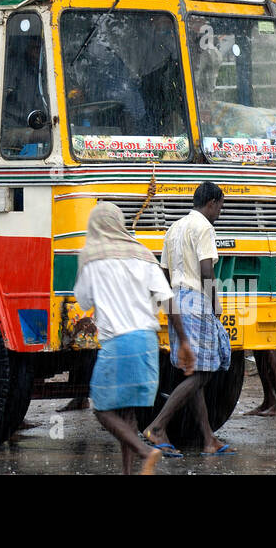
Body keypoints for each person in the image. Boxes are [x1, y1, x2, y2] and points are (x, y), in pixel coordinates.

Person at [75, 195, 195, 475]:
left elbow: (82, 301)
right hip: (147, 343)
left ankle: (145, 451)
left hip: (118, 344)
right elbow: (168, 300)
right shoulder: (142, 253)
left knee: (102, 409)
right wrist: (184, 342)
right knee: (128, 414)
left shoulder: (93, 259)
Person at [144, 181, 235, 457]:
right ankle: (158, 426)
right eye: (220, 206)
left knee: (195, 370)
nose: (219, 211)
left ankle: (209, 439)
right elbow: (207, 270)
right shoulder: (204, 227)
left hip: (176, 300)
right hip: (196, 301)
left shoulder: (173, 229)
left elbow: (164, 272)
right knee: (205, 372)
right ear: (211, 203)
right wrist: (213, 302)